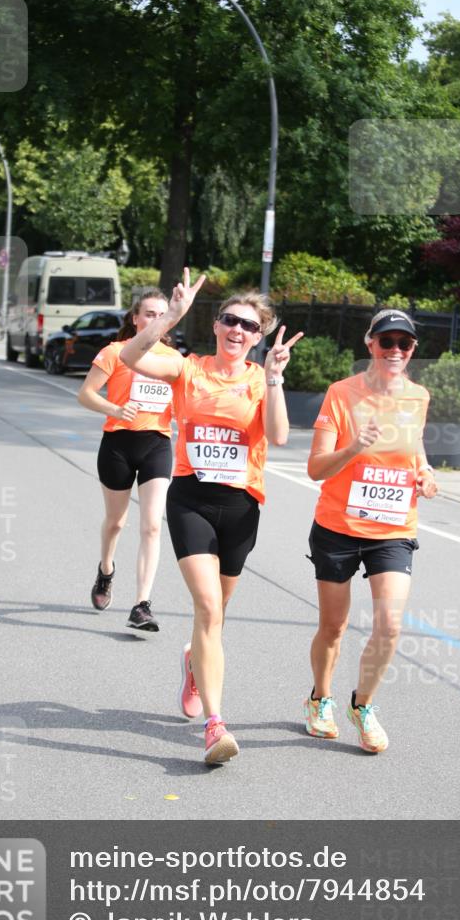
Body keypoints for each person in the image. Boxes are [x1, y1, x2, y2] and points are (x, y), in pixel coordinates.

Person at [121, 269, 303, 765]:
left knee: (218, 616)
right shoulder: (189, 368)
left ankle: (193, 662)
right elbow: (129, 356)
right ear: (217, 325)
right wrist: (170, 318)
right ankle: (216, 724)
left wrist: (276, 377)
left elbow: (281, 436)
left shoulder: (260, 379)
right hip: (190, 500)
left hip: (242, 507)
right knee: (208, 608)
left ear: (258, 337)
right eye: (229, 320)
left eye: (248, 326)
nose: (237, 330)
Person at [303, 309, 438, 753]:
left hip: (393, 527)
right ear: (370, 344)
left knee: (390, 623)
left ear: (413, 349)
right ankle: (320, 698)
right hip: (338, 526)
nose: (395, 350)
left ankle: (363, 705)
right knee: (334, 626)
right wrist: (354, 447)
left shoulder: (418, 397)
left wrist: (427, 473)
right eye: (387, 342)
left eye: (405, 343)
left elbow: (414, 446)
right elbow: (315, 469)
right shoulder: (342, 395)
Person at [77, 289, 177, 632]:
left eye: (162, 314)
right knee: (116, 523)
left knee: (151, 525)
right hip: (118, 443)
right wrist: (114, 409)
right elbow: (86, 394)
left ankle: (142, 604)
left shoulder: (173, 358)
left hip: (157, 444)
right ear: (135, 318)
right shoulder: (115, 352)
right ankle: (106, 570)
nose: (155, 320)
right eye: (149, 313)